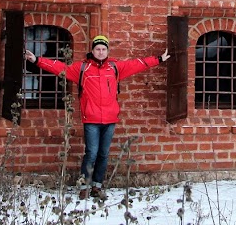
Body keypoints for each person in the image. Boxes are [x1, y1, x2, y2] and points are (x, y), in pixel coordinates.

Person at [24, 35, 170, 200]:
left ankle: (97, 186)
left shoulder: (114, 67)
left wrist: (159, 59)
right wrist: (36, 60)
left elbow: (136, 64)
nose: (100, 52)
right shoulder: (82, 69)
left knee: (103, 154)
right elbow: (59, 67)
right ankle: (84, 186)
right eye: (97, 49)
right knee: (91, 153)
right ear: (92, 50)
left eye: (103, 49)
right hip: (91, 119)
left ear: (107, 51)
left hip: (110, 119)